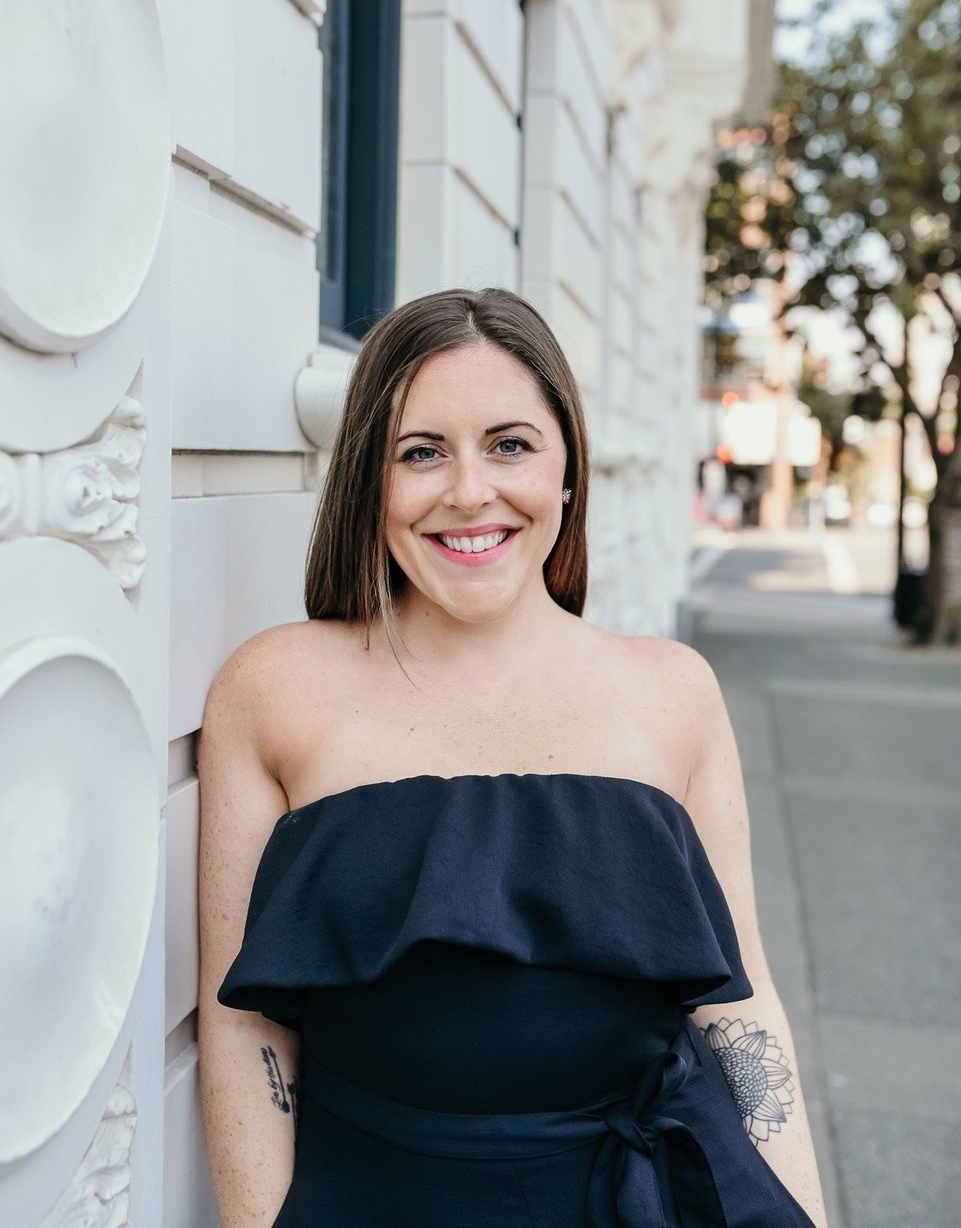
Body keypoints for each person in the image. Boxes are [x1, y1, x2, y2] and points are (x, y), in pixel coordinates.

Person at [198, 287, 829, 1228]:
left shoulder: (671, 690)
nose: (468, 492)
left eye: (509, 445)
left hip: (649, 1199)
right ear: (369, 479)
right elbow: (240, 1024)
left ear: (566, 468)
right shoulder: (272, 688)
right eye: (421, 452)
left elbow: (738, 1009)